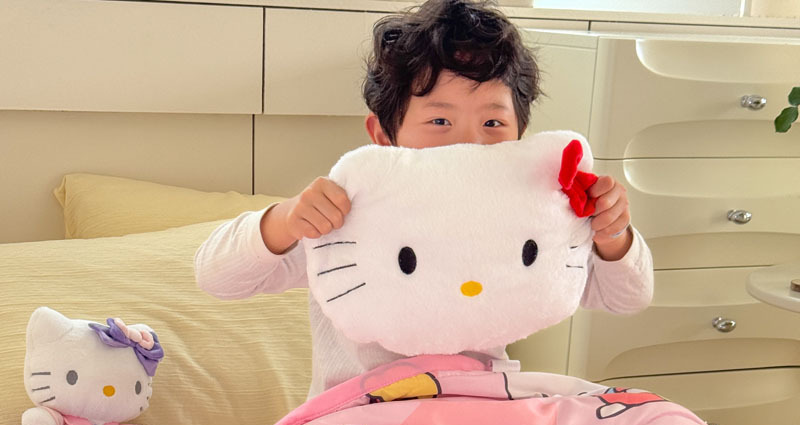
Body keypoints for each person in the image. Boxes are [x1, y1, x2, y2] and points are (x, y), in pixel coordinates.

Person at [195, 0, 653, 398]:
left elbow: (627, 298)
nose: (469, 143)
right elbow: (217, 277)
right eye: (439, 122)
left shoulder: (532, 211)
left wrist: (612, 236)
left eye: (493, 123)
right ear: (383, 134)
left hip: (485, 417)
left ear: (521, 134)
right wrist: (284, 220)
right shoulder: (350, 219)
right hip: (359, 424)